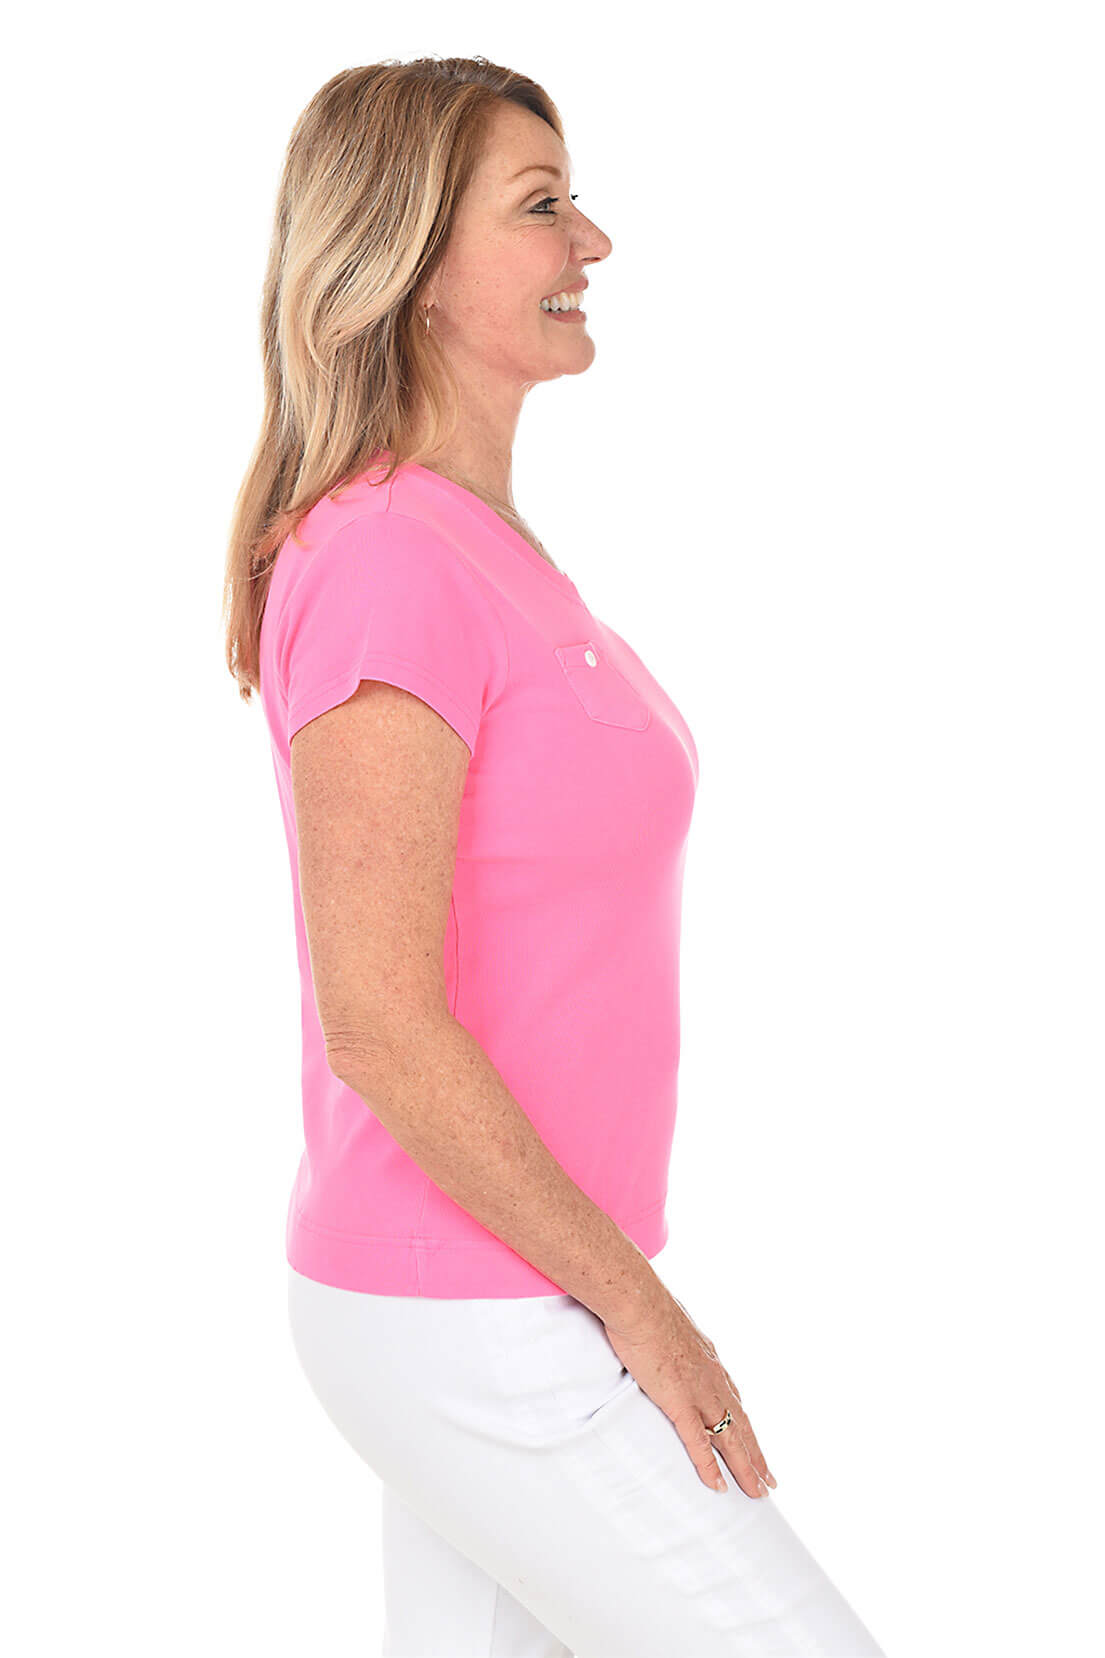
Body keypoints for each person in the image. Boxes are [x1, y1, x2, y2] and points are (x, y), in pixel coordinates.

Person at [223, 56, 887, 1658]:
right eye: (539, 207)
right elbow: (379, 1017)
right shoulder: (385, 554)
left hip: (498, 1295)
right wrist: (643, 1320)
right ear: (406, 261)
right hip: (476, 1314)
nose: (591, 242)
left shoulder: (473, 544)